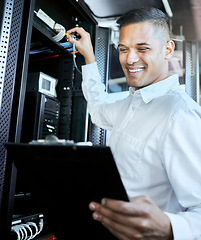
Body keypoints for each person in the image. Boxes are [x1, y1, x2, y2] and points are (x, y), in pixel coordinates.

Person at [67, 7, 201, 240]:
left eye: (142, 48)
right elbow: (98, 109)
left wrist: (170, 228)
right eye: (123, 49)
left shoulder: (180, 116)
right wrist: (89, 57)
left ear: (168, 49)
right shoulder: (129, 104)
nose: (129, 59)